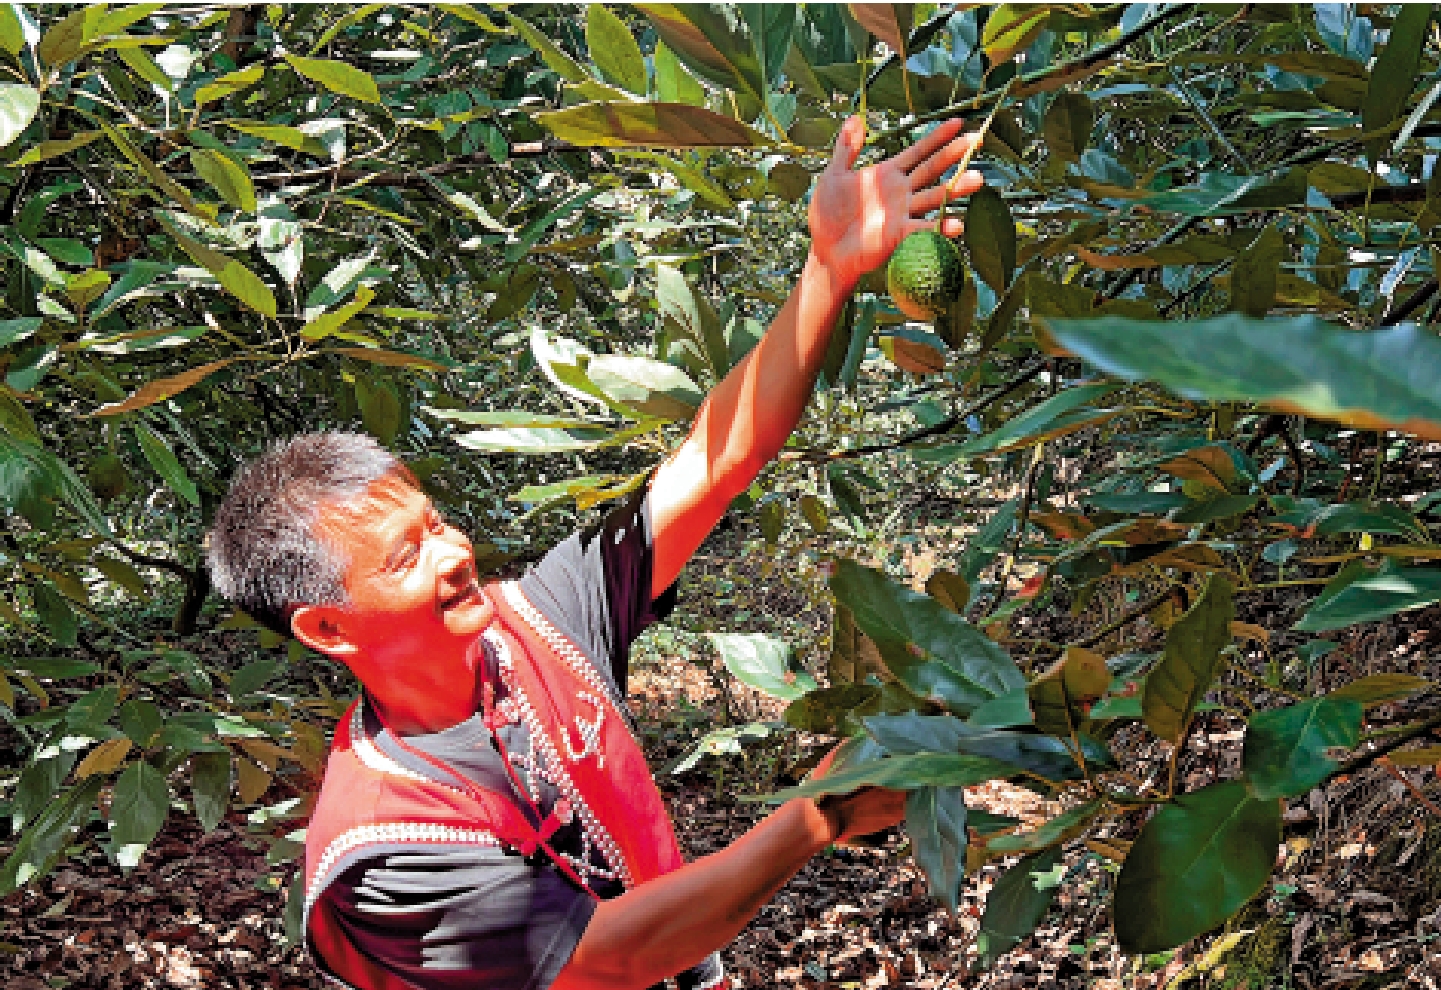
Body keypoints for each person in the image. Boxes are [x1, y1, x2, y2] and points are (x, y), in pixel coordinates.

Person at [207, 115, 985, 990]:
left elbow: (713, 462)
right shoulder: (383, 845)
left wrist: (828, 269)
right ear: (327, 626)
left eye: (436, 523)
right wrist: (816, 817)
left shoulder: (537, 621)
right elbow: (609, 958)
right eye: (404, 557)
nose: (455, 553)